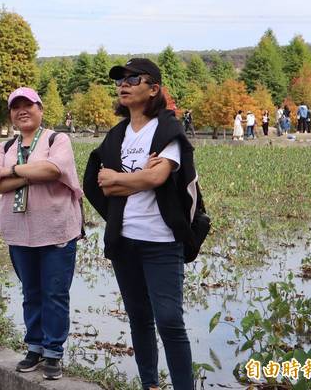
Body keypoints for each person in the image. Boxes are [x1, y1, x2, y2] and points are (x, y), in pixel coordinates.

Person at [83, 58, 195, 390]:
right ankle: (150, 384)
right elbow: (103, 183)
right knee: (139, 319)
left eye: (134, 78)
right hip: (124, 240)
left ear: (154, 88)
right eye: (121, 79)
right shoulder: (116, 135)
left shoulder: (166, 130)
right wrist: (135, 178)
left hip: (161, 240)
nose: (124, 84)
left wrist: (122, 179)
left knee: (170, 321)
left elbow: (158, 177)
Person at [0, 87, 83, 381]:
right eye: (16, 107)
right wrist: (29, 171)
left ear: (40, 109)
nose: (22, 111)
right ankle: (35, 345)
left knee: (54, 293)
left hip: (56, 230)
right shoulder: (4, 147)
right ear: (11, 115)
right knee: (31, 292)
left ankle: (54, 351)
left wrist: (13, 170)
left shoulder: (57, 139)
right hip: (19, 233)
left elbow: (54, 170)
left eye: (28, 104)